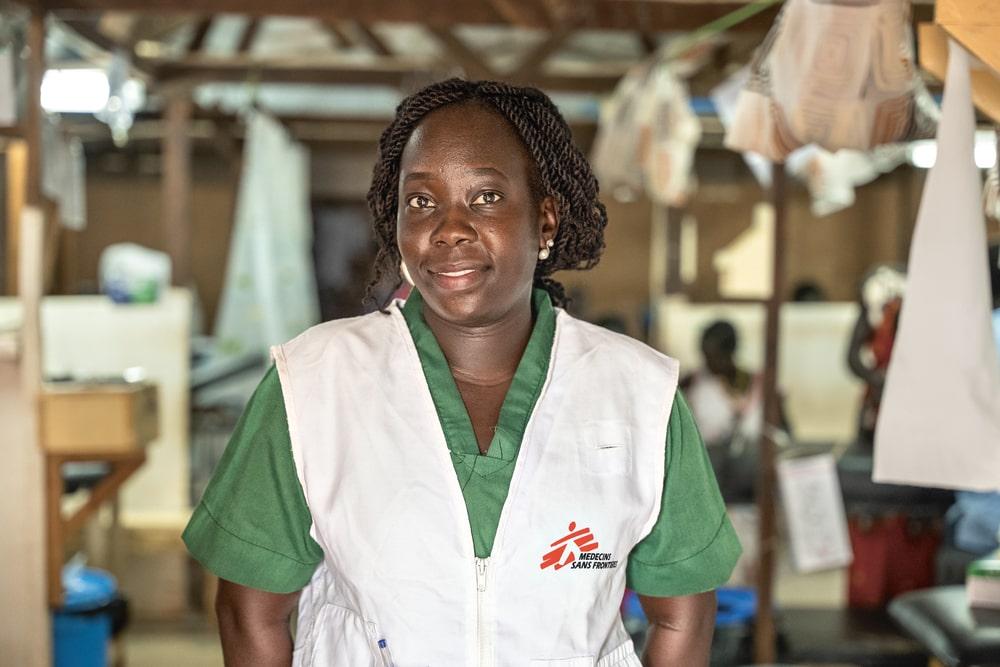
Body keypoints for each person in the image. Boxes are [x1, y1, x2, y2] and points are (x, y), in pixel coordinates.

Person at [183, 79, 740, 665]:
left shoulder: (638, 395)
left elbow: (683, 614)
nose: (449, 227)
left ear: (545, 221)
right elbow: (250, 613)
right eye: (421, 201)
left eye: (486, 198)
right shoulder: (311, 385)